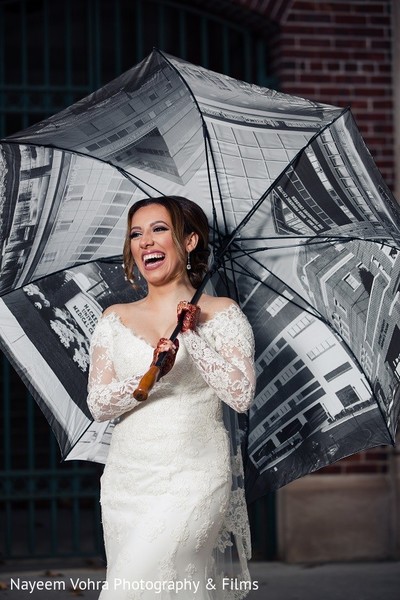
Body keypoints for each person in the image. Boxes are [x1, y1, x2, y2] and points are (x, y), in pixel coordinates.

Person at [87, 196, 256, 599]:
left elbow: (241, 395)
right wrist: (153, 370)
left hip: (194, 476)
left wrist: (193, 338)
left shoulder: (222, 312)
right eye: (135, 233)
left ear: (190, 241)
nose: (146, 241)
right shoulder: (114, 317)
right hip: (127, 482)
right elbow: (98, 404)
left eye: (159, 229)